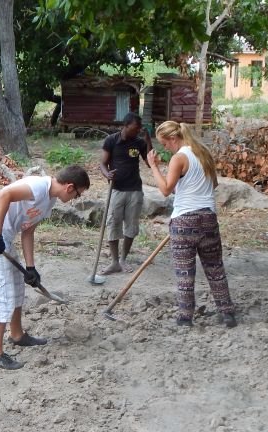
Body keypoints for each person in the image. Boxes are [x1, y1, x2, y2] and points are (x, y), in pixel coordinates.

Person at [0, 166, 91, 370]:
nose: (75, 199)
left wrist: (30, 267)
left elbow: (28, 232)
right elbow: (4, 195)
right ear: (70, 187)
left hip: (5, 238)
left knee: (18, 286)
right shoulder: (38, 186)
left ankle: (17, 335)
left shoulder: (49, 200)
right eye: (78, 195)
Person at [147, 121, 237, 328]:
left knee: (185, 273)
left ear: (173, 138)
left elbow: (166, 190)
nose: (165, 148)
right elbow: (210, 185)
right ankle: (227, 313)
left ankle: (185, 317)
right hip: (208, 219)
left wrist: (153, 166)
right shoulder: (203, 153)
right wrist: (167, 169)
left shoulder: (179, 158)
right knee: (215, 269)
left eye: (165, 144)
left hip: (184, 222)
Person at [98, 112, 149, 274]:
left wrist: (147, 139)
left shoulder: (139, 142)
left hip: (134, 190)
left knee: (131, 227)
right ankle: (114, 262)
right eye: (135, 128)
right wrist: (106, 174)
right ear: (125, 126)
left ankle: (123, 259)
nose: (137, 131)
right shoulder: (111, 140)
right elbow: (102, 163)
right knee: (113, 223)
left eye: (139, 129)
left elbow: (149, 162)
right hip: (117, 189)